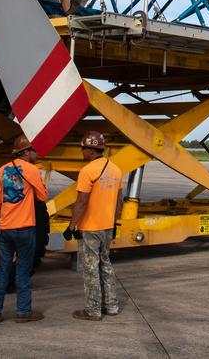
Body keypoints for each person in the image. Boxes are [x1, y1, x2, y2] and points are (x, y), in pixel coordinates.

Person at [0, 134, 48, 323]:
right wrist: (39, 182)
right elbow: (42, 197)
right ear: (26, 152)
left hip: (5, 228)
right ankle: (23, 312)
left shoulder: (3, 170)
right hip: (25, 228)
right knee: (23, 271)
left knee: (3, 269)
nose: (36, 153)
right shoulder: (32, 170)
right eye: (33, 150)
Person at [69, 130, 123, 321]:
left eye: (83, 149)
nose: (82, 152)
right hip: (107, 227)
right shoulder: (116, 170)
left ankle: (93, 310)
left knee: (91, 268)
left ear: (90, 150)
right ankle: (112, 306)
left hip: (91, 228)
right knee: (106, 265)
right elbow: (119, 200)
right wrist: (115, 221)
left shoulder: (87, 171)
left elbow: (82, 201)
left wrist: (72, 225)